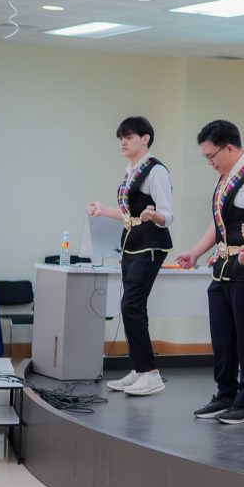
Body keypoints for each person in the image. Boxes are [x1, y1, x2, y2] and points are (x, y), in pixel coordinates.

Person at [176, 120, 244, 425]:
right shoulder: (225, 178)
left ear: (230, 148)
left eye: (211, 156)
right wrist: (195, 252)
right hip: (224, 268)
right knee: (222, 335)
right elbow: (219, 224)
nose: (209, 162)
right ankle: (225, 394)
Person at [89, 116, 173, 396]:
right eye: (120, 138)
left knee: (131, 305)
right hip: (132, 243)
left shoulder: (156, 171)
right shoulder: (131, 171)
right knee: (131, 307)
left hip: (150, 245)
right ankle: (139, 369)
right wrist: (103, 210)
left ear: (145, 139)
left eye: (128, 137)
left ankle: (150, 373)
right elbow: (129, 216)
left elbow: (167, 215)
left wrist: (154, 215)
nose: (123, 143)